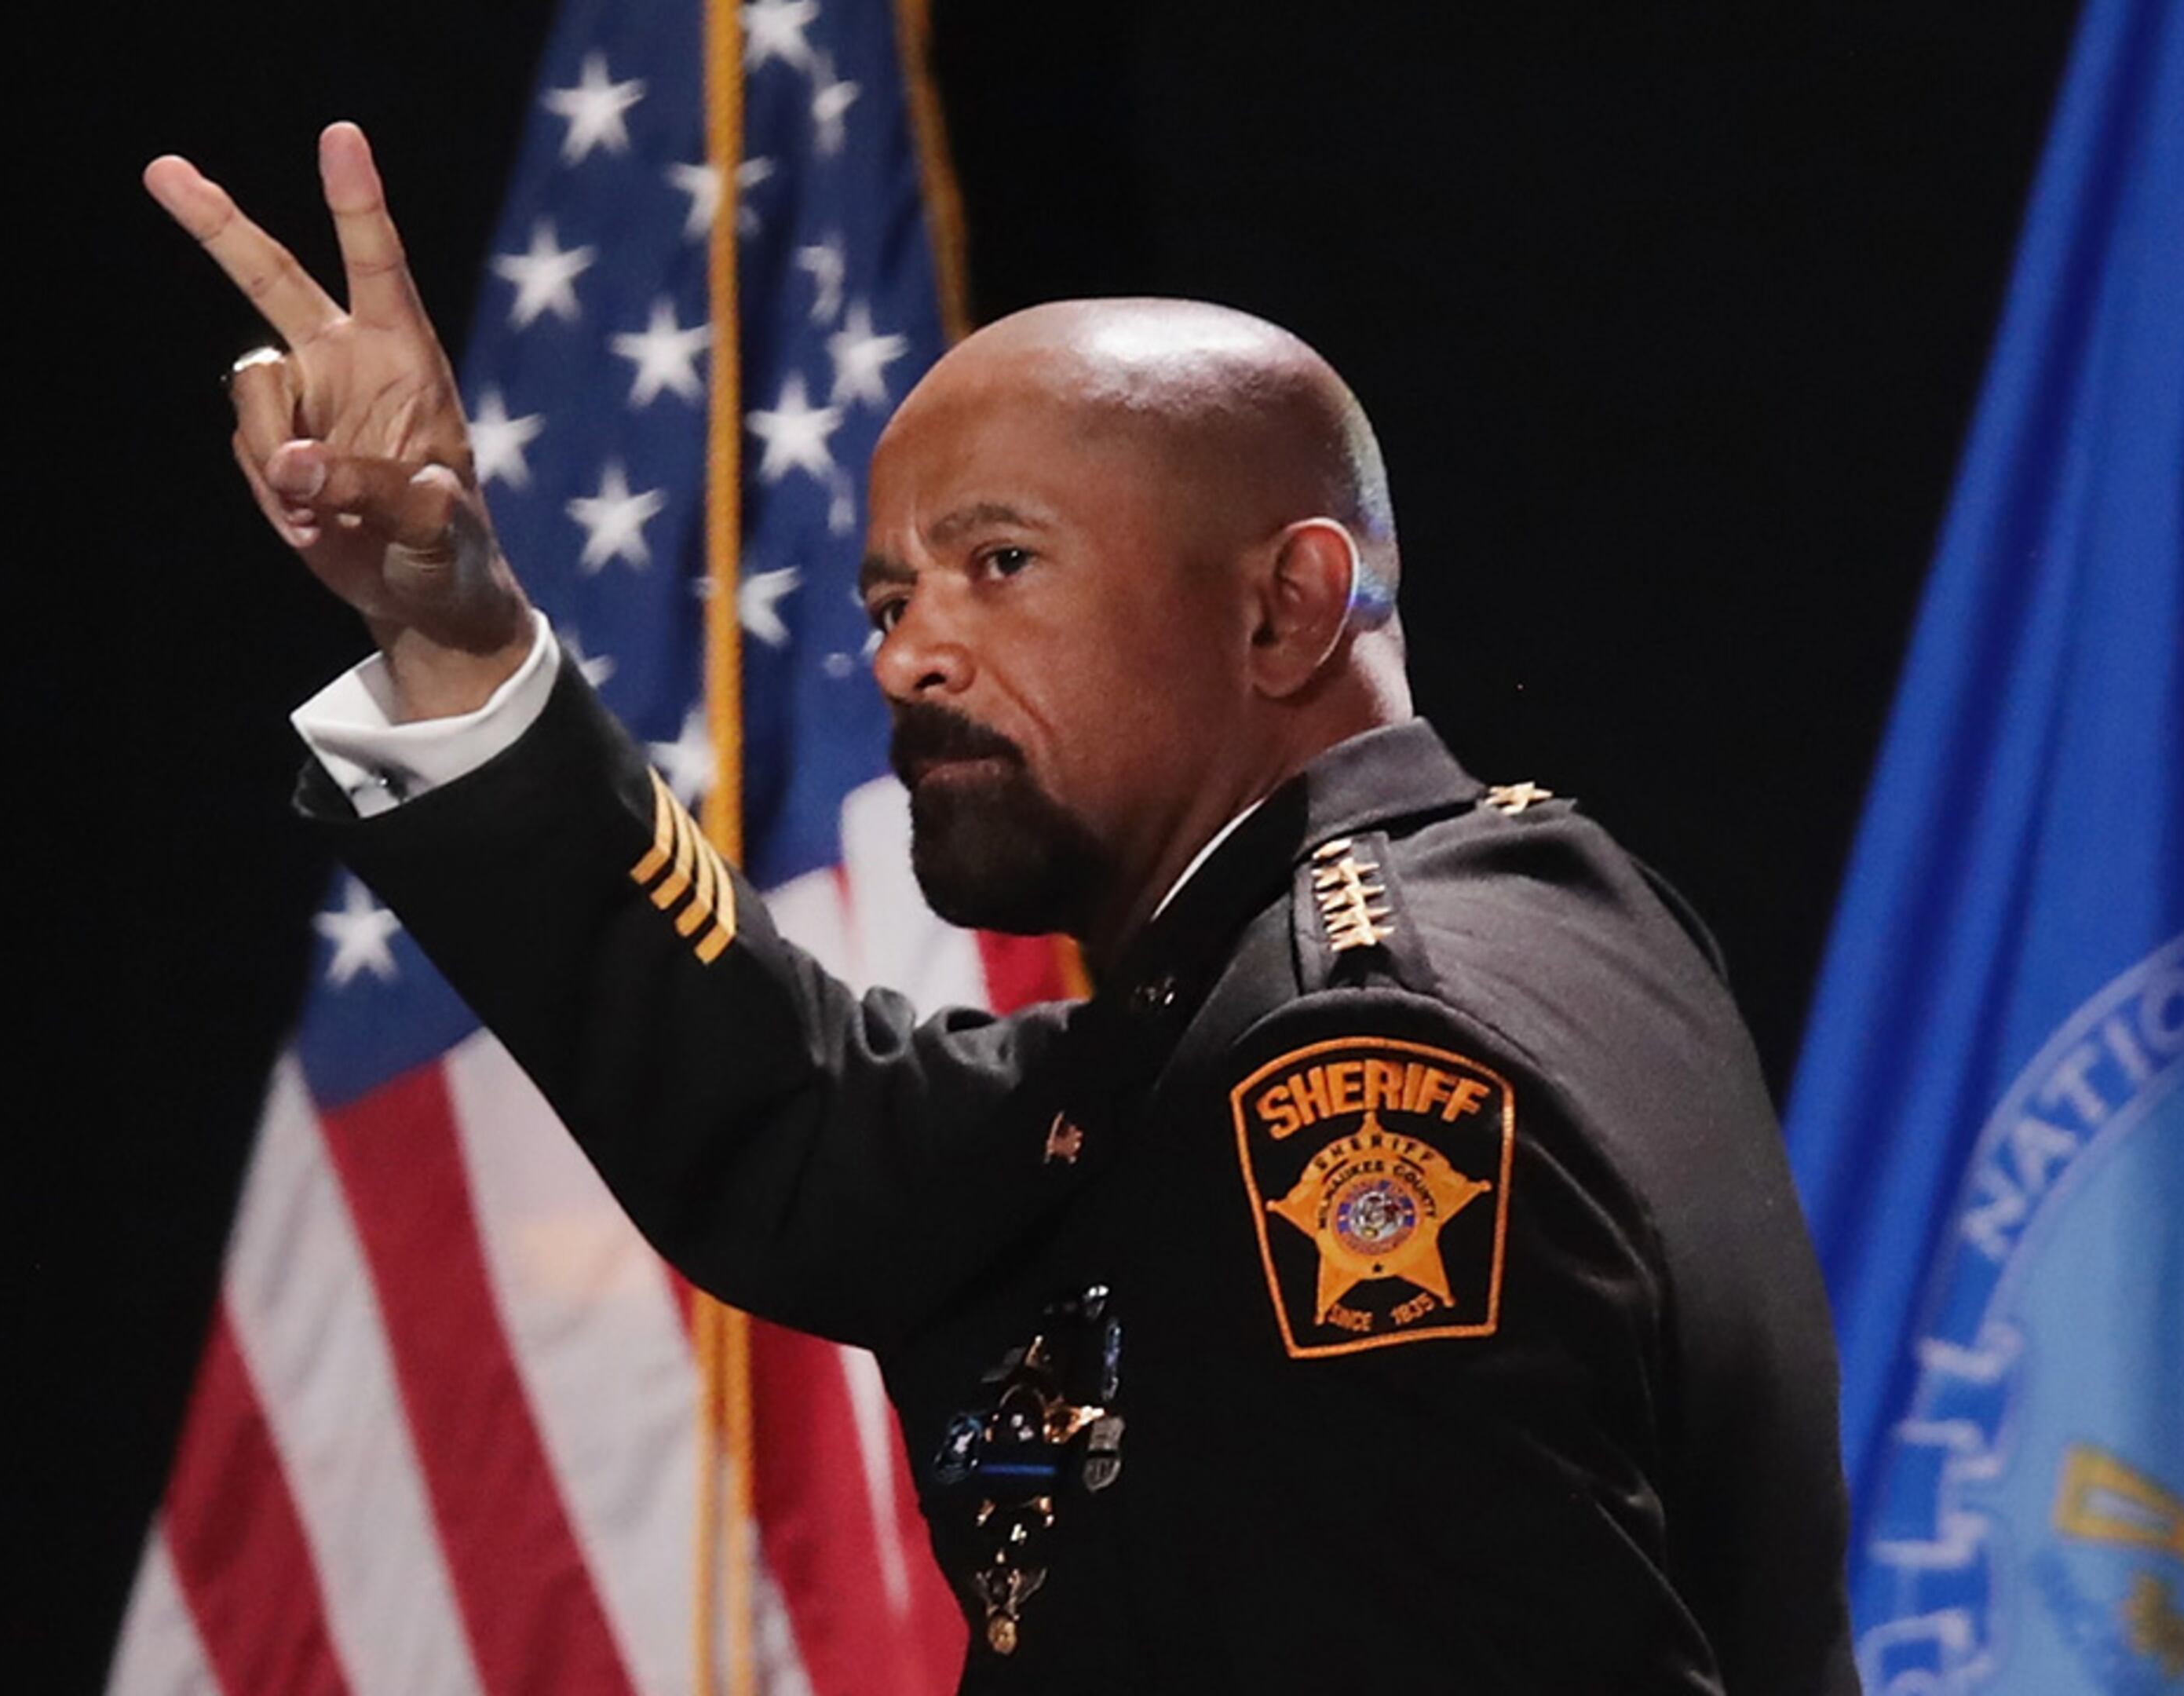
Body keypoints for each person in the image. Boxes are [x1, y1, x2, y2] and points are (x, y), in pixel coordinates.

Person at [146, 122, 1858, 1693]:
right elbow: (816, 1132)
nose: (910, 650)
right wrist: (455, 635)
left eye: (1004, 564)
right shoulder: (1505, 922)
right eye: (891, 593)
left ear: (1290, 604)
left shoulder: (1353, 1065)